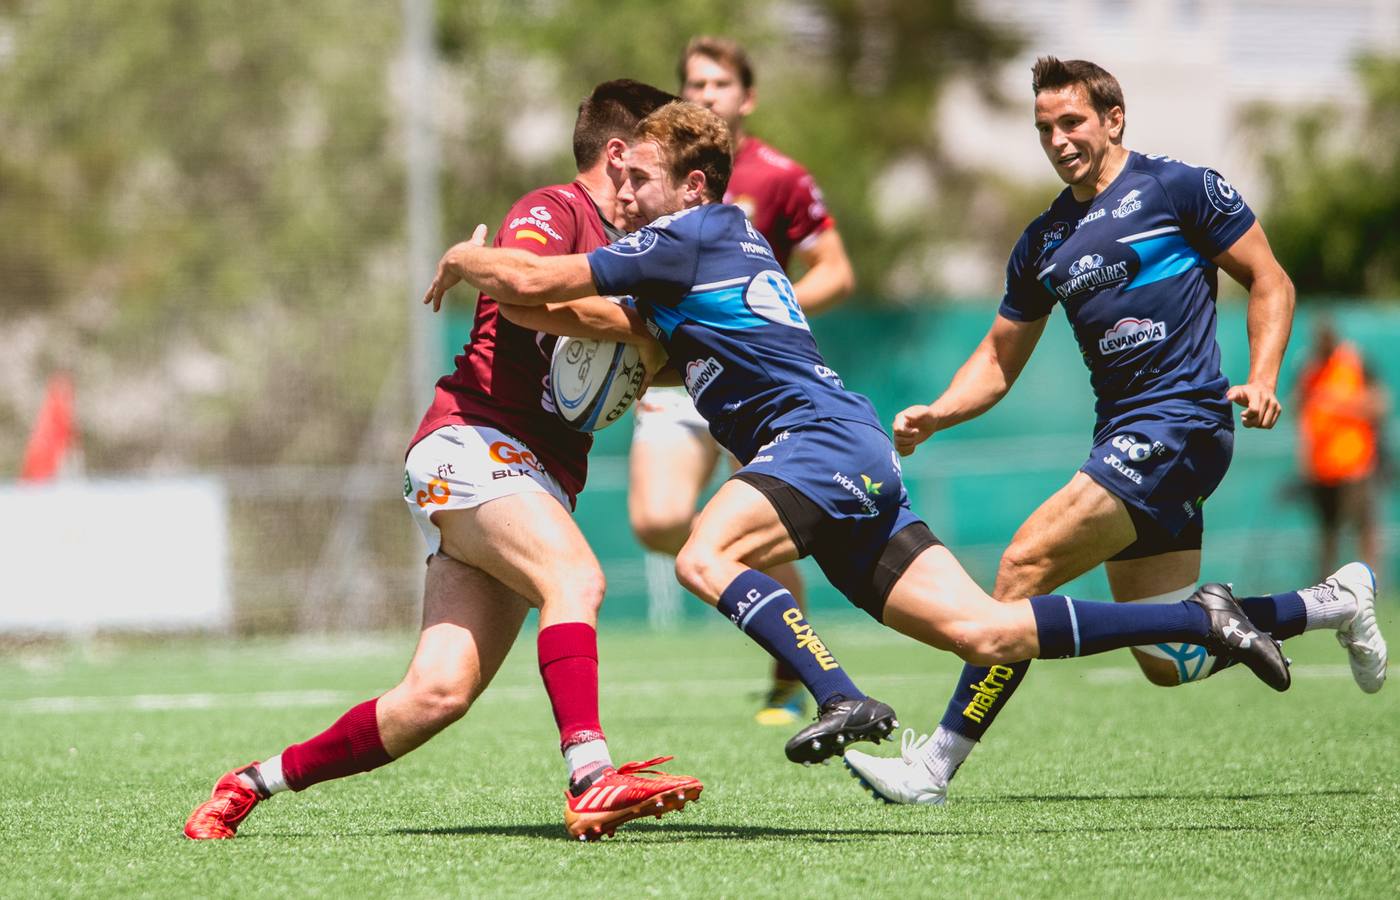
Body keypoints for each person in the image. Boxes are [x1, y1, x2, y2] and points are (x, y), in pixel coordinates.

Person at [422, 99, 1292, 772]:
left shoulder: (685, 235)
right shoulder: (703, 255)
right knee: (985, 632)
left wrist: (468, 263)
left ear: (691, 186)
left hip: (814, 442)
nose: (625, 193)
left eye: (640, 177)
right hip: (848, 445)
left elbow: (540, 276)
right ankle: (1200, 618)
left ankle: (839, 694)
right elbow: (589, 316)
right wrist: (542, 317)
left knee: (702, 556)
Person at [842, 56, 1388, 806]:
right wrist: (939, 411)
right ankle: (1331, 601)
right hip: (1123, 437)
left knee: (1022, 567)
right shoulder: (1043, 240)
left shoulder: (1178, 187)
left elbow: (1272, 278)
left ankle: (933, 767)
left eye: (1072, 122)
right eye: (1044, 129)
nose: (1059, 139)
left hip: (1182, 424)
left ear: (1113, 118)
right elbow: (999, 357)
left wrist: (1261, 377)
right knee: (1166, 658)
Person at [184, 80, 702, 844]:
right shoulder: (556, 209)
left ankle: (250, 783)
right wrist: (471, 255)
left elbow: (643, 352)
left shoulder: (640, 252)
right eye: (660, 156)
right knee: (577, 579)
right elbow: (517, 276)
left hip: (534, 476)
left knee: (434, 694)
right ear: (621, 155)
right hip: (471, 444)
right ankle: (592, 775)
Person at [627, 36, 856, 726]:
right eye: (693, 83)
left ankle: (791, 661)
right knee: (657, 519)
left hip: (755, 380)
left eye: (719, 83)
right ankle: (758, 577)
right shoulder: (653, 173)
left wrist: (759, 315)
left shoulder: (780, 176)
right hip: (680, 373)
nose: (705, 94)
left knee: (735, 532)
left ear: (746, 97)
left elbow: (838, 272)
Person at [1295, 317, 1389, 579]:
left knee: (1364, 532)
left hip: (1356, 465)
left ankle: (1371, 585)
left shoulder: (1355, 362)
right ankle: (1326, 593)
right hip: (1321, 469)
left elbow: (1380, 404)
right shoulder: (1308, 368)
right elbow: (1300, 412)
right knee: (1327, 536)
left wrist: (1341, 404)